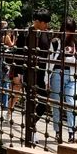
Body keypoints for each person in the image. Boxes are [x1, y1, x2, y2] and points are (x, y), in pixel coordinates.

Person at [49, 16, 77, 142]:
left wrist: (71, 60)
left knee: (72, 104)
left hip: (72, 75)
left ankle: (71, 133)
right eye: (66, 30)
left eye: (70, 30)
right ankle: (58, 132)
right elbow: (49, 62)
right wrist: (46, 79)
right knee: (57, 104)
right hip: (57, 74)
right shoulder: (55, 42)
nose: (68, 33)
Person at [32, 7, 52, 137]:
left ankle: (31, 122)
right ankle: (31, 130)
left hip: (42, 73)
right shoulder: (26, 33)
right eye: (45, 23)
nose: (47, 25)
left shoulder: (47, 34)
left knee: (43, 101)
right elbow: (18, 53)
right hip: (28, 72)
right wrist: (17, 74)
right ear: (38, 21)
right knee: (30, 99)